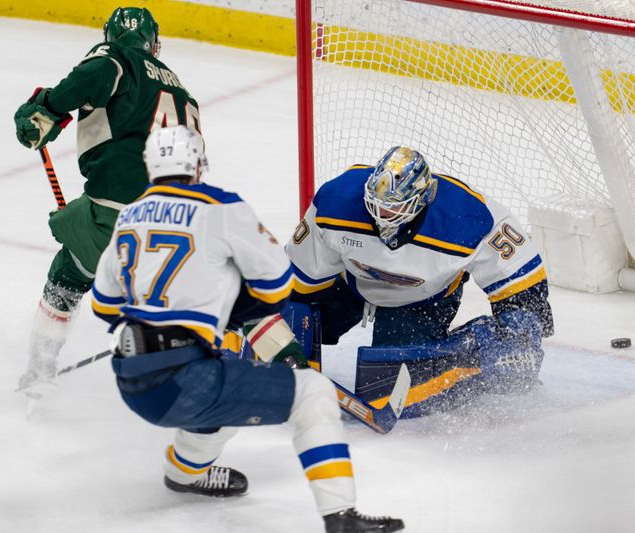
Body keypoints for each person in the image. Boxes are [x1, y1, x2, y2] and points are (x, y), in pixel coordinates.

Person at [90, 125, 404, 533]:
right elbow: (277, 284)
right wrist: (232, 306)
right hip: (185, 381)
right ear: (198, 164)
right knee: (313, 392)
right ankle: (341, 518)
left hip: (134, 382)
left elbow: (103, 305)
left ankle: (184, 473)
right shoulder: (220, 207)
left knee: (230, 386)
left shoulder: (129, 214)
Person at [286, 146, 554, 416]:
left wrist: (519, 335)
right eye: (377, 204)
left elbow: (522, 281)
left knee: (387, 388)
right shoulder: (337, 201)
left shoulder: (467, 216)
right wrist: (277, 326)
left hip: (423, 299)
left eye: (394, 208)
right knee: (291, 313)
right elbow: (299, 277)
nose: (382, 216)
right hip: (351, 284)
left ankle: (468, 352)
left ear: (421, 200)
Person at [13, 7, 201, 391]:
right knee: (155, 294)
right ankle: (183, 370)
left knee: (68, 272)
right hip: (179, 224)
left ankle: (39, 372)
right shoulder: (182, 89)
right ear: (154, 41)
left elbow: (94, 75)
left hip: (118, 213)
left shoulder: (116, 57)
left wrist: (47, 109)